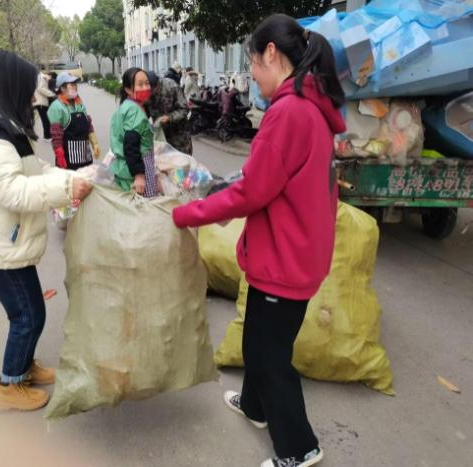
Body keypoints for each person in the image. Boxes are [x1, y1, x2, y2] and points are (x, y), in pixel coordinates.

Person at [171, 14, 346, 467]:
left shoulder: (289, 111)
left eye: (251, 63)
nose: (251, 75)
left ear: (272, 53)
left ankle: (300, 448)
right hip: (298, 251)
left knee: (267, 356)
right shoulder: (312, 107)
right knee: (262, 338)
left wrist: (188, 214)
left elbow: (251, 192)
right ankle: (254, 406)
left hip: (286, 258)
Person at [0, 51, 92, 412]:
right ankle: (9, 384)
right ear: (11, 87)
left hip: (5, 238)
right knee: (27, 316)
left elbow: (36, 169)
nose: (34, 97)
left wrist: (75, 178)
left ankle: (24, 366)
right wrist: (68, 188)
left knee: (31, 312)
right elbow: (13, 191)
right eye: (30, 89)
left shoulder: (4, 124)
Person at [109, 67, 157, 197]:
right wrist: (139, 175)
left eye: (147, 83)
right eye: (140, 84)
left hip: (125, 166)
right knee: (142, 205)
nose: (145, 88)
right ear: (128, 89)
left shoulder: (127, 105)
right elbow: (131, 145)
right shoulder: (134, 111)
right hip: (135, 168)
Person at [48, 72, 100, 170]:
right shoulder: (56, 107)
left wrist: (95, 143)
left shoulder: (79, 103)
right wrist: (59, 155)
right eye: (71, 84)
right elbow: (56, 135)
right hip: (68, 157)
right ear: (62, 88)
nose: (75, 87)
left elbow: (88, 125)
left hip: (85, 154)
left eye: (75, 84)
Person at [147, 71, 193, 155]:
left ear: (157, 84)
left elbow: (184, 109)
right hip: (161, 135)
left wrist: (169, 117)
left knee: (182, 159)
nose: (151, 93)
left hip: (179, 135)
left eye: (152, 90)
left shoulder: (172, 86)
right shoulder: (145, 92)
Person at [33, 68, 55, 141]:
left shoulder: (38, 77)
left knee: (46, 119)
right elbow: (40, 88)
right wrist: (51, 94)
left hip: (40, 101)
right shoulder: (41, 77)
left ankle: (48, 135)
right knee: (46, 119)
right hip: (41, 101)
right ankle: (47, 136)